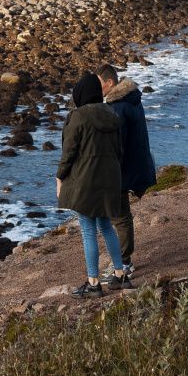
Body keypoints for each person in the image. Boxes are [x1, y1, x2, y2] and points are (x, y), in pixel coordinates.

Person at [55, 73, 130, 298]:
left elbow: (68, 153)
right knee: (106, 226)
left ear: (81, 94)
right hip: (109, 179)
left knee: (88, 230)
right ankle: (120, 274)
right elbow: (119, 151)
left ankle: (93, 283)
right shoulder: (112, 114)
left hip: (85, 181)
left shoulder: (78, 117)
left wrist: (60, 177)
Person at [97, 64, 157, 268]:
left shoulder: (118, 107)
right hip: (136, 163)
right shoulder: (132, 99)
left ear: (110, 82)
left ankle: (123, 263)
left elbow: (117, 143)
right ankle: (123, 261)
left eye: (99, 84)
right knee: (121, 215)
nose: (98, 89)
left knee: (120, 217)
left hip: (123, 168)